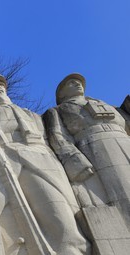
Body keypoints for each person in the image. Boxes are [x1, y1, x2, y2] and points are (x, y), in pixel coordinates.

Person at [0, 75, 92, 255]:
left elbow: (56, 140)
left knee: (63, 222)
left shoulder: (31, 115)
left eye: (1, 84)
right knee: (3, 230)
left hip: (41, 162)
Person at [44, 73, 130, 221]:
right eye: (71, 83)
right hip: (95, 144)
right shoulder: (58, 110)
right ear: (61, 93)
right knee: (122, 189)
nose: (78, 84)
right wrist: (75, 162)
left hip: (124, 138)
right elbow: (57, 136)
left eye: (79, 82)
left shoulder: (107, 104)